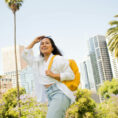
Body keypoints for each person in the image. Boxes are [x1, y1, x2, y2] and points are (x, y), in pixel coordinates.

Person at [22, 36, 75, 118]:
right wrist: (34, 42)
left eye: (47, 43)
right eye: (42, 44)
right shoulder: (37, 62)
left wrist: (54, 75)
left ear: (52, 47)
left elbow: (71, 75)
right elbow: (25, 55)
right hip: (49, 95)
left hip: (60, 93)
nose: (44, 45)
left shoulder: (58, 59)